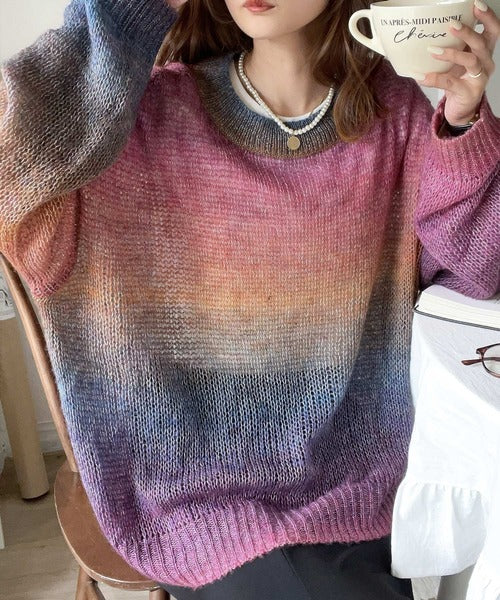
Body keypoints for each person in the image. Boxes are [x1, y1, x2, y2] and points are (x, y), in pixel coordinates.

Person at [0, 0, 499, 598]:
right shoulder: (141, 118)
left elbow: (476, 274)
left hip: (353, 480)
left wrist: (464, 123)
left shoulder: (396, 116)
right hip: (195, 498)